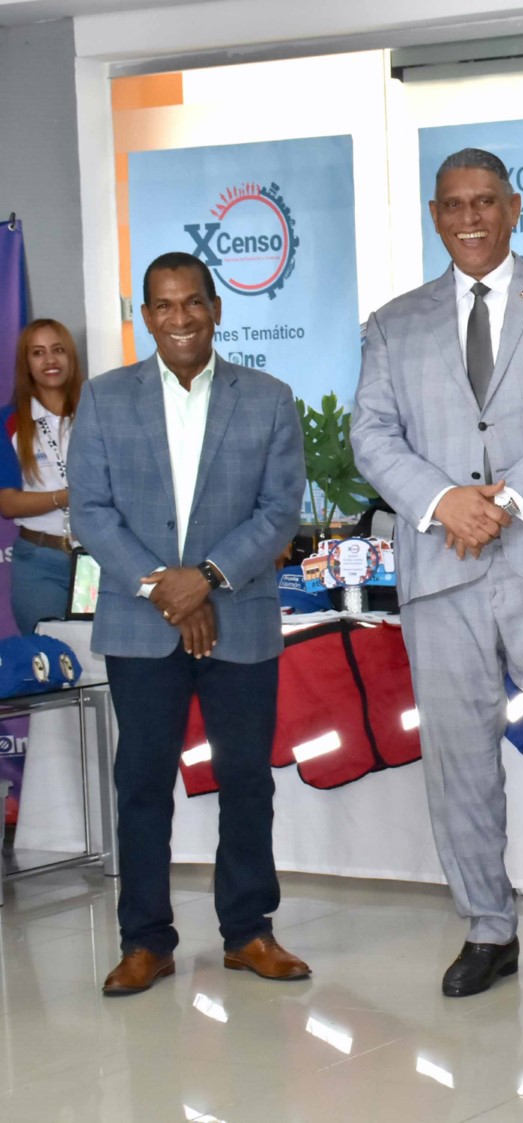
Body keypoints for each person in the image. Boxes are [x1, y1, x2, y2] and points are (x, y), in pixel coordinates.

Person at [350, 147, 523, 1004]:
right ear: (436, 216)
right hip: (445, 565)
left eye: (484, 201)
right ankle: (486, 927)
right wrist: (443, 501)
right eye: (453, 204)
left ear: (513, 207)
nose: (469, 217)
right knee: (458, 759)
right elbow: (373, 435)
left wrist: (504, 500)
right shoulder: (392, 324)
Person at [68, 252, 309, 996]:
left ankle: (249, 931)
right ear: (147, 317)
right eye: (165, 306)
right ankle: (145, 941)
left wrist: (203, 579)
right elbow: (91, 511)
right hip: (141, 623)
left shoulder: (268, 398)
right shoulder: (105, 398)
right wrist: (166, 590)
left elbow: (279, 511)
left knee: (246, 778)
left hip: (239, 614)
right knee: (142, 781)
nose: (181, 318)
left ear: (216, 309)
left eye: (193, 303)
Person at [1, 319, 84, 633]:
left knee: (102, 658)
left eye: (58, 350)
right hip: (39, 562)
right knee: (50, 657)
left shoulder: (97, 413)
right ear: (26, 364)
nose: (50, 360)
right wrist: (67, 497)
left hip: (96, 560)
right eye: (38, 353)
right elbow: (8, 503)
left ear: (70, 356)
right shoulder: (8, 422)